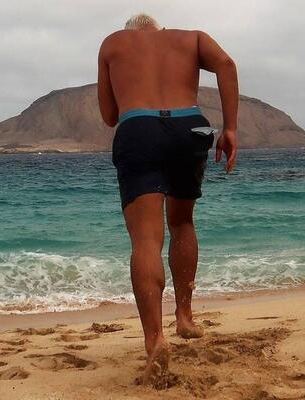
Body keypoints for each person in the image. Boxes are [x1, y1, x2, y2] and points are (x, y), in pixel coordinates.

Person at [97, 13, 238, 385]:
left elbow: (110, 116)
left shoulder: (113, 43)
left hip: (138, 128)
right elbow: (226, 64)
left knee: (146, 239)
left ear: (131, 33)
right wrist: (231, 128)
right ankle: (185, 317)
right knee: (182, 221)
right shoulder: (192, 38)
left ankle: (155, 339)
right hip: (189, 127)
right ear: (158, 29)